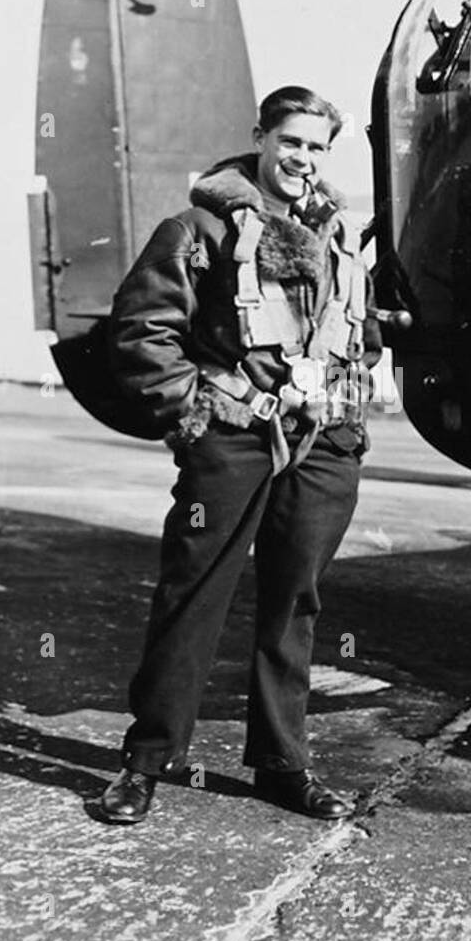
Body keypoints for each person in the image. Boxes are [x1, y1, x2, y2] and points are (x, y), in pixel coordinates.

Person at [100, 86, 382, 824]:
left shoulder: (338, 236)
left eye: (318, 147)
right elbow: (140, 332)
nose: (302, 159)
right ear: (260, 137)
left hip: (324, 442)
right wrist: (194, 412)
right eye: (291, 142)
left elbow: (365, 333)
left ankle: (283, 766)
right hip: (232, 435)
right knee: (194, 596)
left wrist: (347, 413)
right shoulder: (199, 227)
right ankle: (146, 763)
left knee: (295, 603)